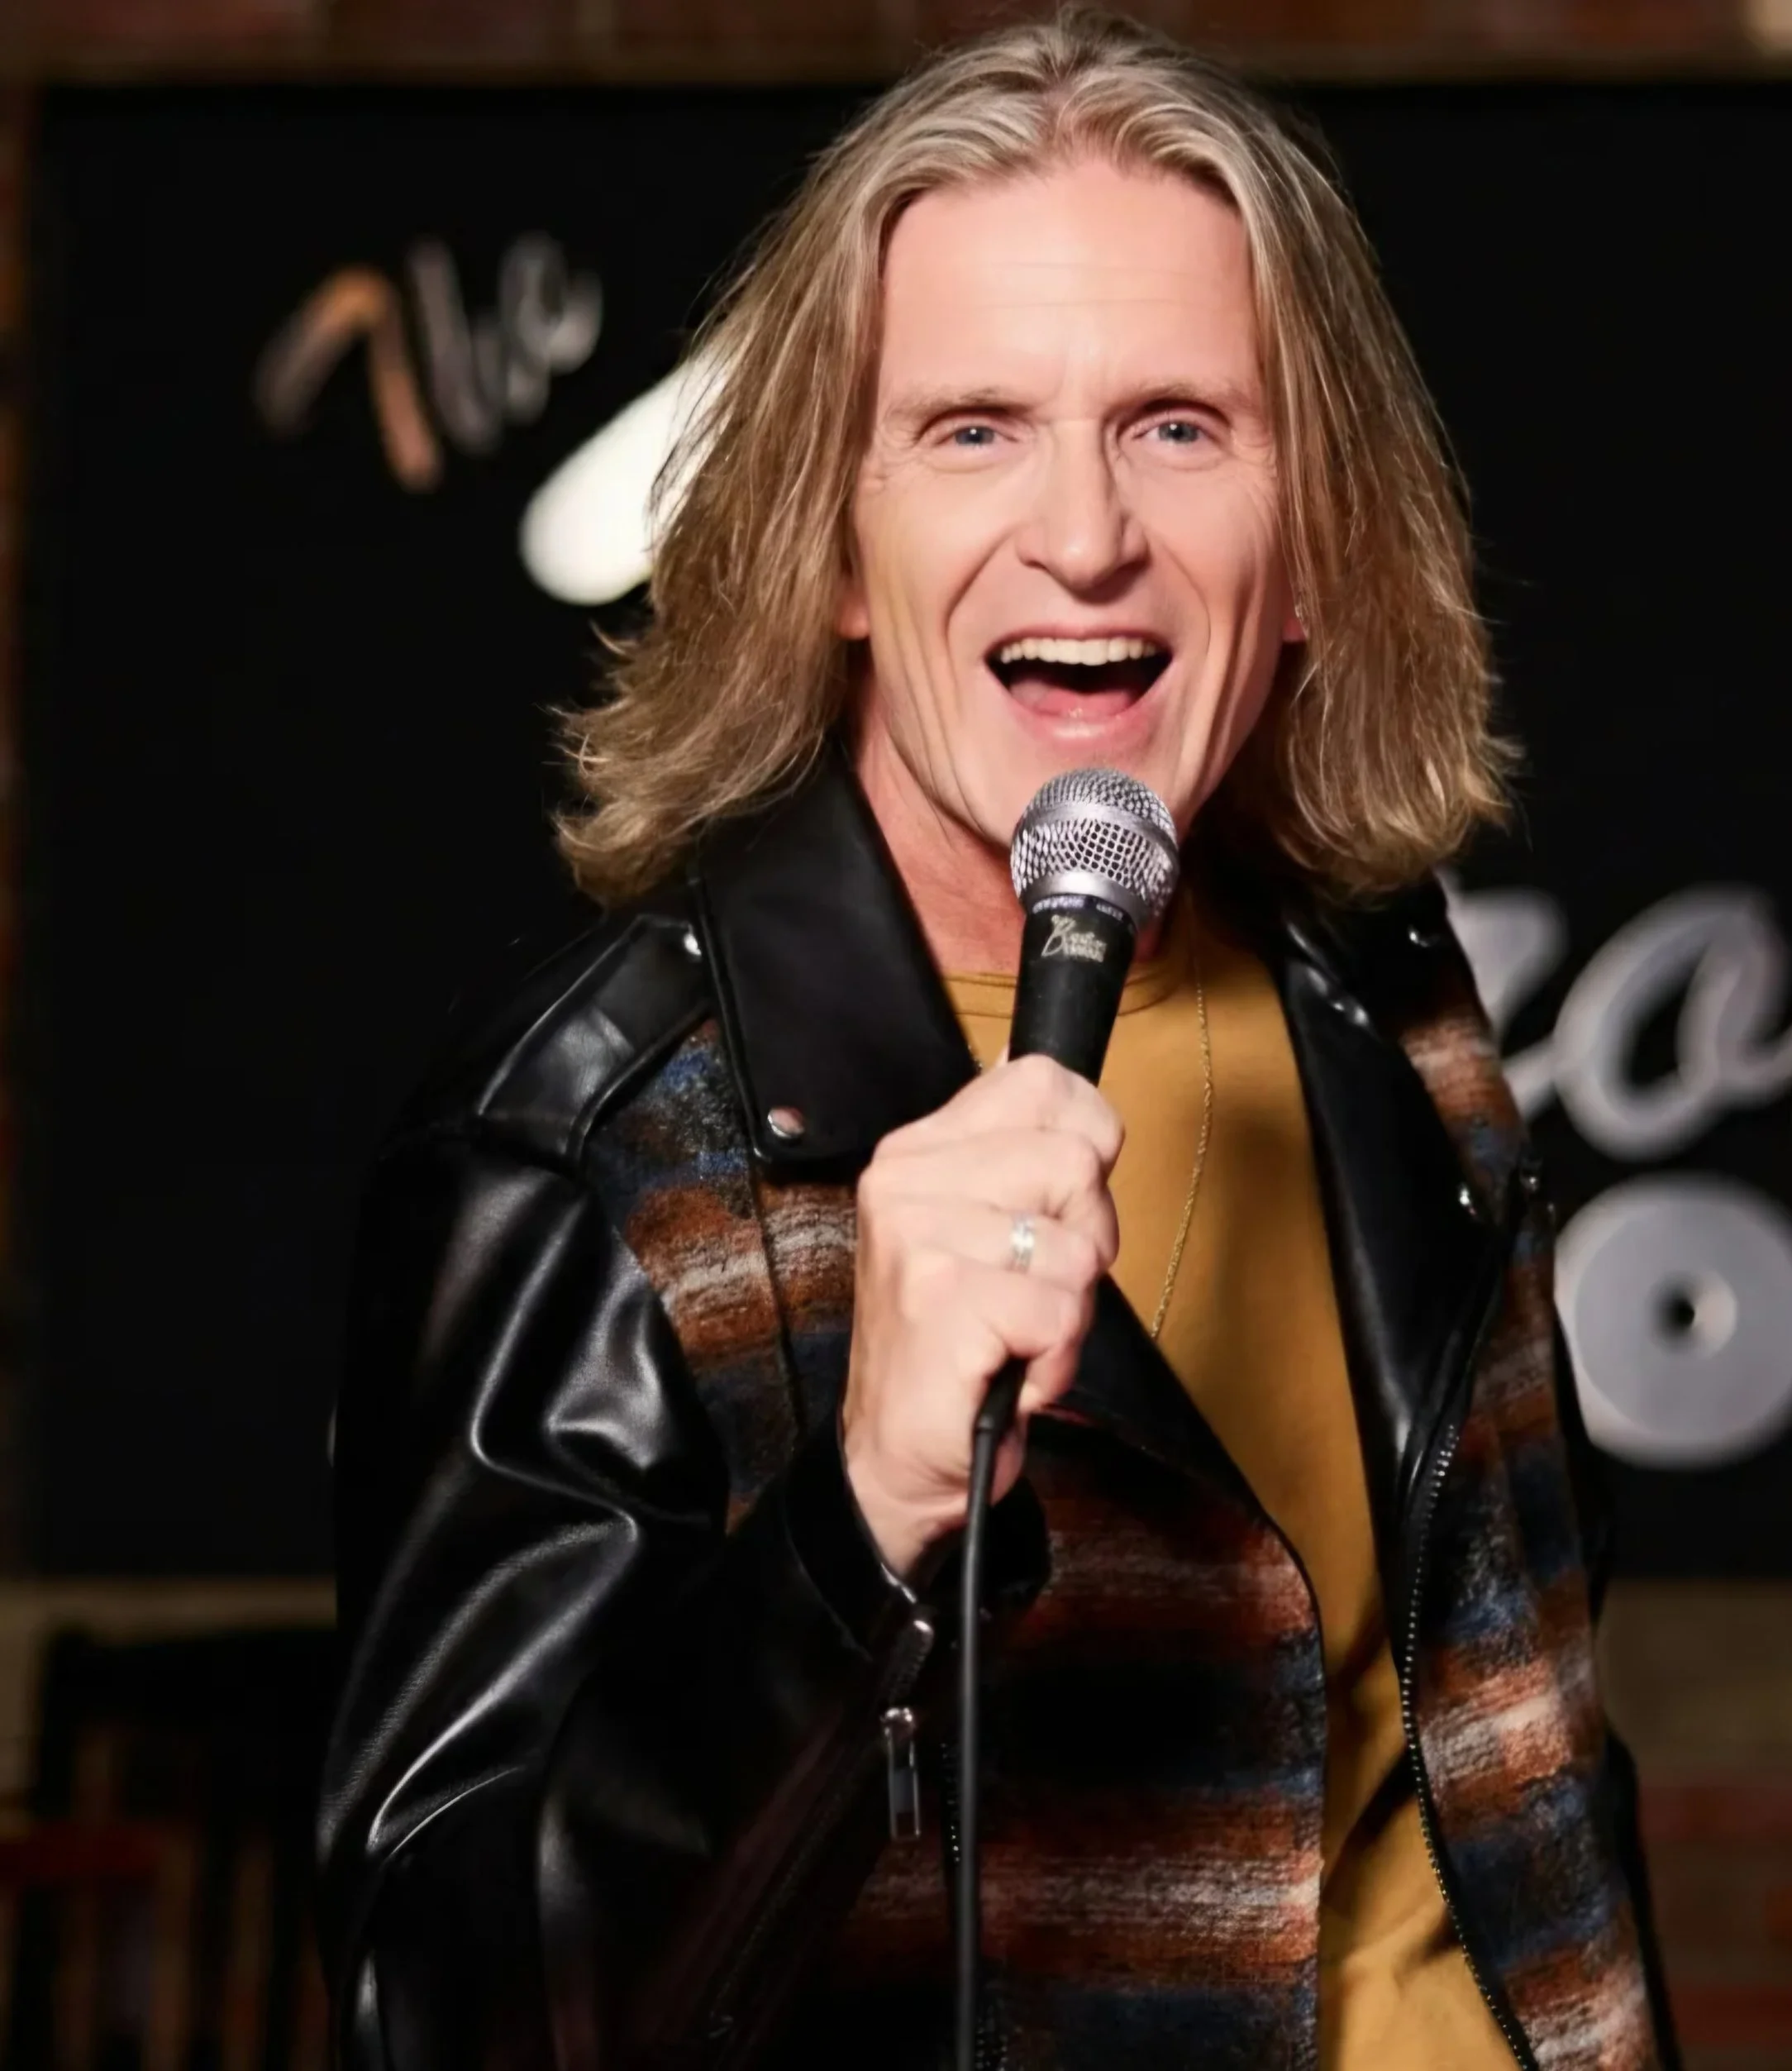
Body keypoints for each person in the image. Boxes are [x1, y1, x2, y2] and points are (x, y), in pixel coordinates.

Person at [316, 12, 1679, 2069]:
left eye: (1177, 425)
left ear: (1312, 546)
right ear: (831, 547)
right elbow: (441, 2017)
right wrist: (852, 1519)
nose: (1085, 533)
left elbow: (1519, 1768)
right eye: (972, 431)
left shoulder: (1381, 993)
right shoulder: (586, 1141)